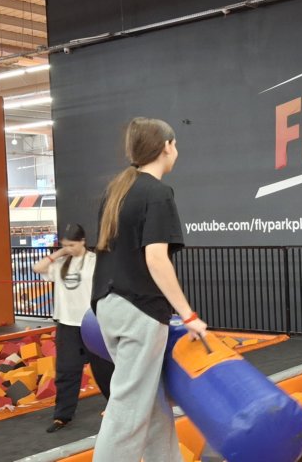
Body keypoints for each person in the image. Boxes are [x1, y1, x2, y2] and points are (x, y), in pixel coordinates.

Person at [91, 117, 208, 462]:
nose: (177, 151)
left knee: (151, 400)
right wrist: (189, 315)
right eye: (175, 144)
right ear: (166, 146)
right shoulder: (157, 193)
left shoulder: (117, 190)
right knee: (128, 409)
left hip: (108, 306)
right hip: (138, 310)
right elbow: (156, 260)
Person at [32, 223, 112, 433]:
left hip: (92, 324)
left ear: (83, 241)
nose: (69, 248)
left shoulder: (94, 261)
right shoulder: (60, 263)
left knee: (105, 369)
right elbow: (37, 268)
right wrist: (60, 253)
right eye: (65, 245)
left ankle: (116, 406)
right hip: (67, 325)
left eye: (72, 245)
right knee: (66, 371)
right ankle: (62, 416)